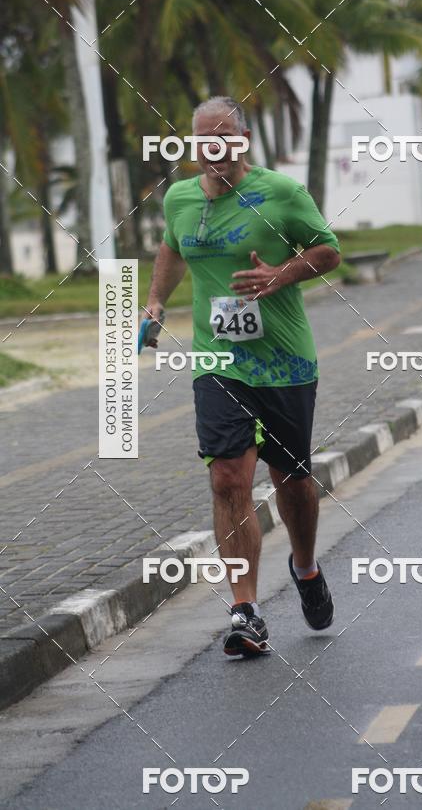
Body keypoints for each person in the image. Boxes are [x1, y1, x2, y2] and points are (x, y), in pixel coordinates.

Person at [143, 96, 341, 657]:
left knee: (292, 484)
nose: (215, 149)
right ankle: (246, 609)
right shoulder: (181, 197)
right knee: (229, 477)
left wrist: (280, 274)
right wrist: (155, 302)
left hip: (285, 361)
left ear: (244, 140)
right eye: (205, 140)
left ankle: (304, 567)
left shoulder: (281, 193)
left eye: (225, 138)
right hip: (217, 360)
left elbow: (329, 251)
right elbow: (171, 249)